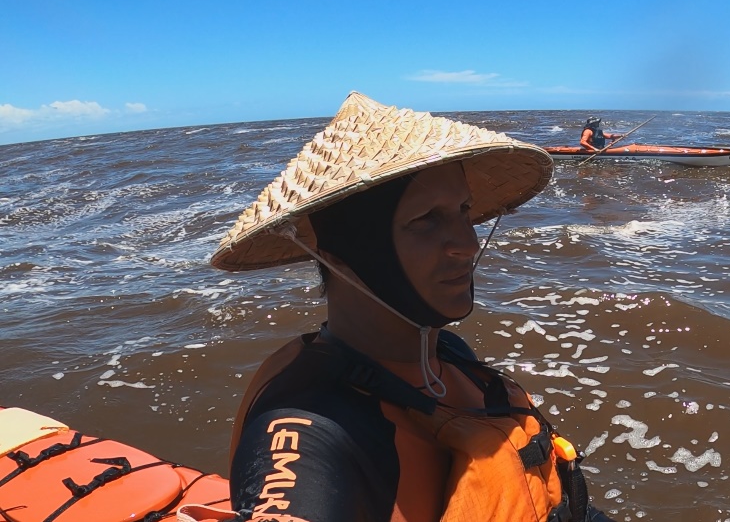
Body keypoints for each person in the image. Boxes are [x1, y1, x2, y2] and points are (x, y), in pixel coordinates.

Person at [211, 91, 615, 522]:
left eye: (463, 211)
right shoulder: (312, 424)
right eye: (426, 220)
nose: (468, 243)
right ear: (339, 257)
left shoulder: (447, 354)